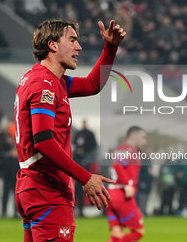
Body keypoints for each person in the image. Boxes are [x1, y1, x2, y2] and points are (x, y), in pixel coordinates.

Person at [14, 19, 125, 241]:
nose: (79, 47)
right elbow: (44, 141)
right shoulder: (44, 85)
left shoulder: (51, 81)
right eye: (72, 40)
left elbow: (93, 85)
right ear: (53, 45)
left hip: (33, 188)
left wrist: (110, 48)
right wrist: (86, 178)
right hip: (47, 191)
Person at [106, 126, 147, 242]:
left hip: (111, 194)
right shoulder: (130, 151)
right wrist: (127, 184)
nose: (145, 141)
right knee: (138, 232)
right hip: (122, 195)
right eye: (143, 137)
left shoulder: (120, 149)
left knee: (117, 235)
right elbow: (117, 165)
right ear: (133, 135)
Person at [73, 119, 97, 217]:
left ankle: (83, 209)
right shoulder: (79, 133)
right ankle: (79, 210)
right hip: (78, 160)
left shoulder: (90, 134)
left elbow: (93, 145)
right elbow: (74, 143)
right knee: (78, 188)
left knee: (85, 186)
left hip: (87, 159)